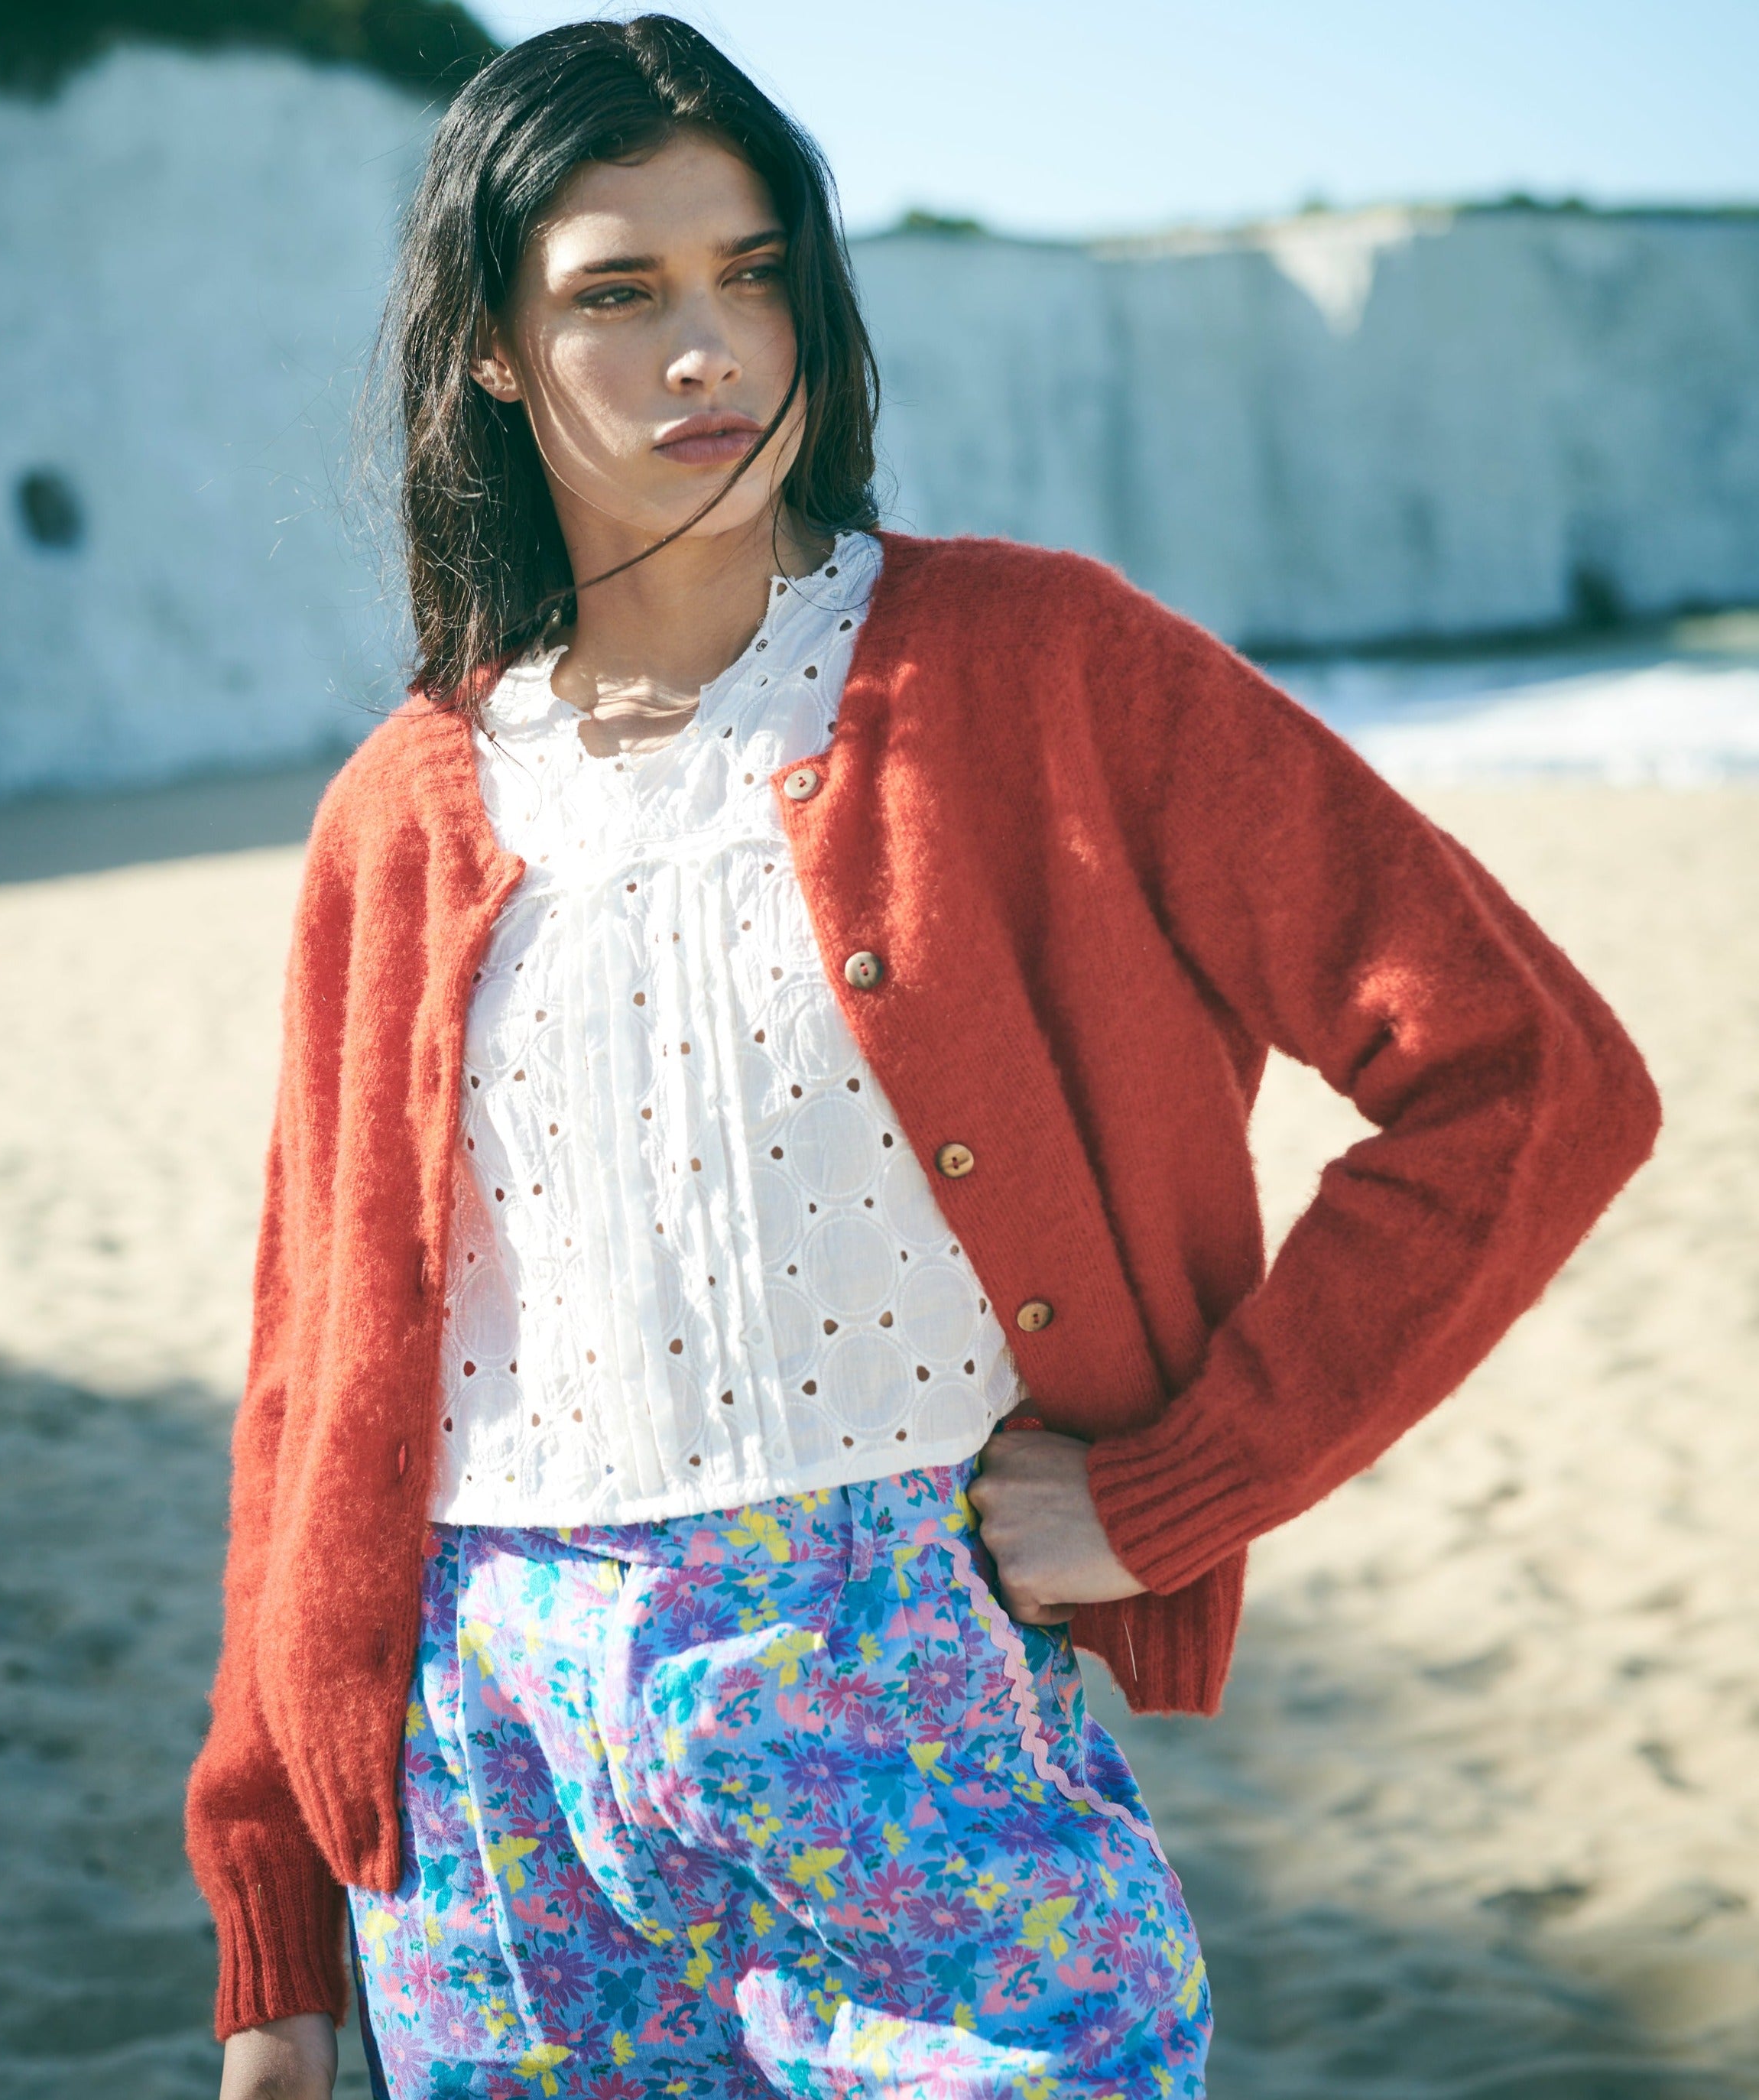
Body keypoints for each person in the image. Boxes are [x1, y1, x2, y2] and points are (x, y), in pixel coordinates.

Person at [187, 19, 1660, 2098]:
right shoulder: (401, 810)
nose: (709, 347)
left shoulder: (1047, 666)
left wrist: (1177, 1491)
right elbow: (314, 1380)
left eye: (754, 271)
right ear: (495, 352)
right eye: (620, 292)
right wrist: (273, 1936)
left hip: (907, 1672)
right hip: (487, 1768)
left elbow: (1529, 1073)